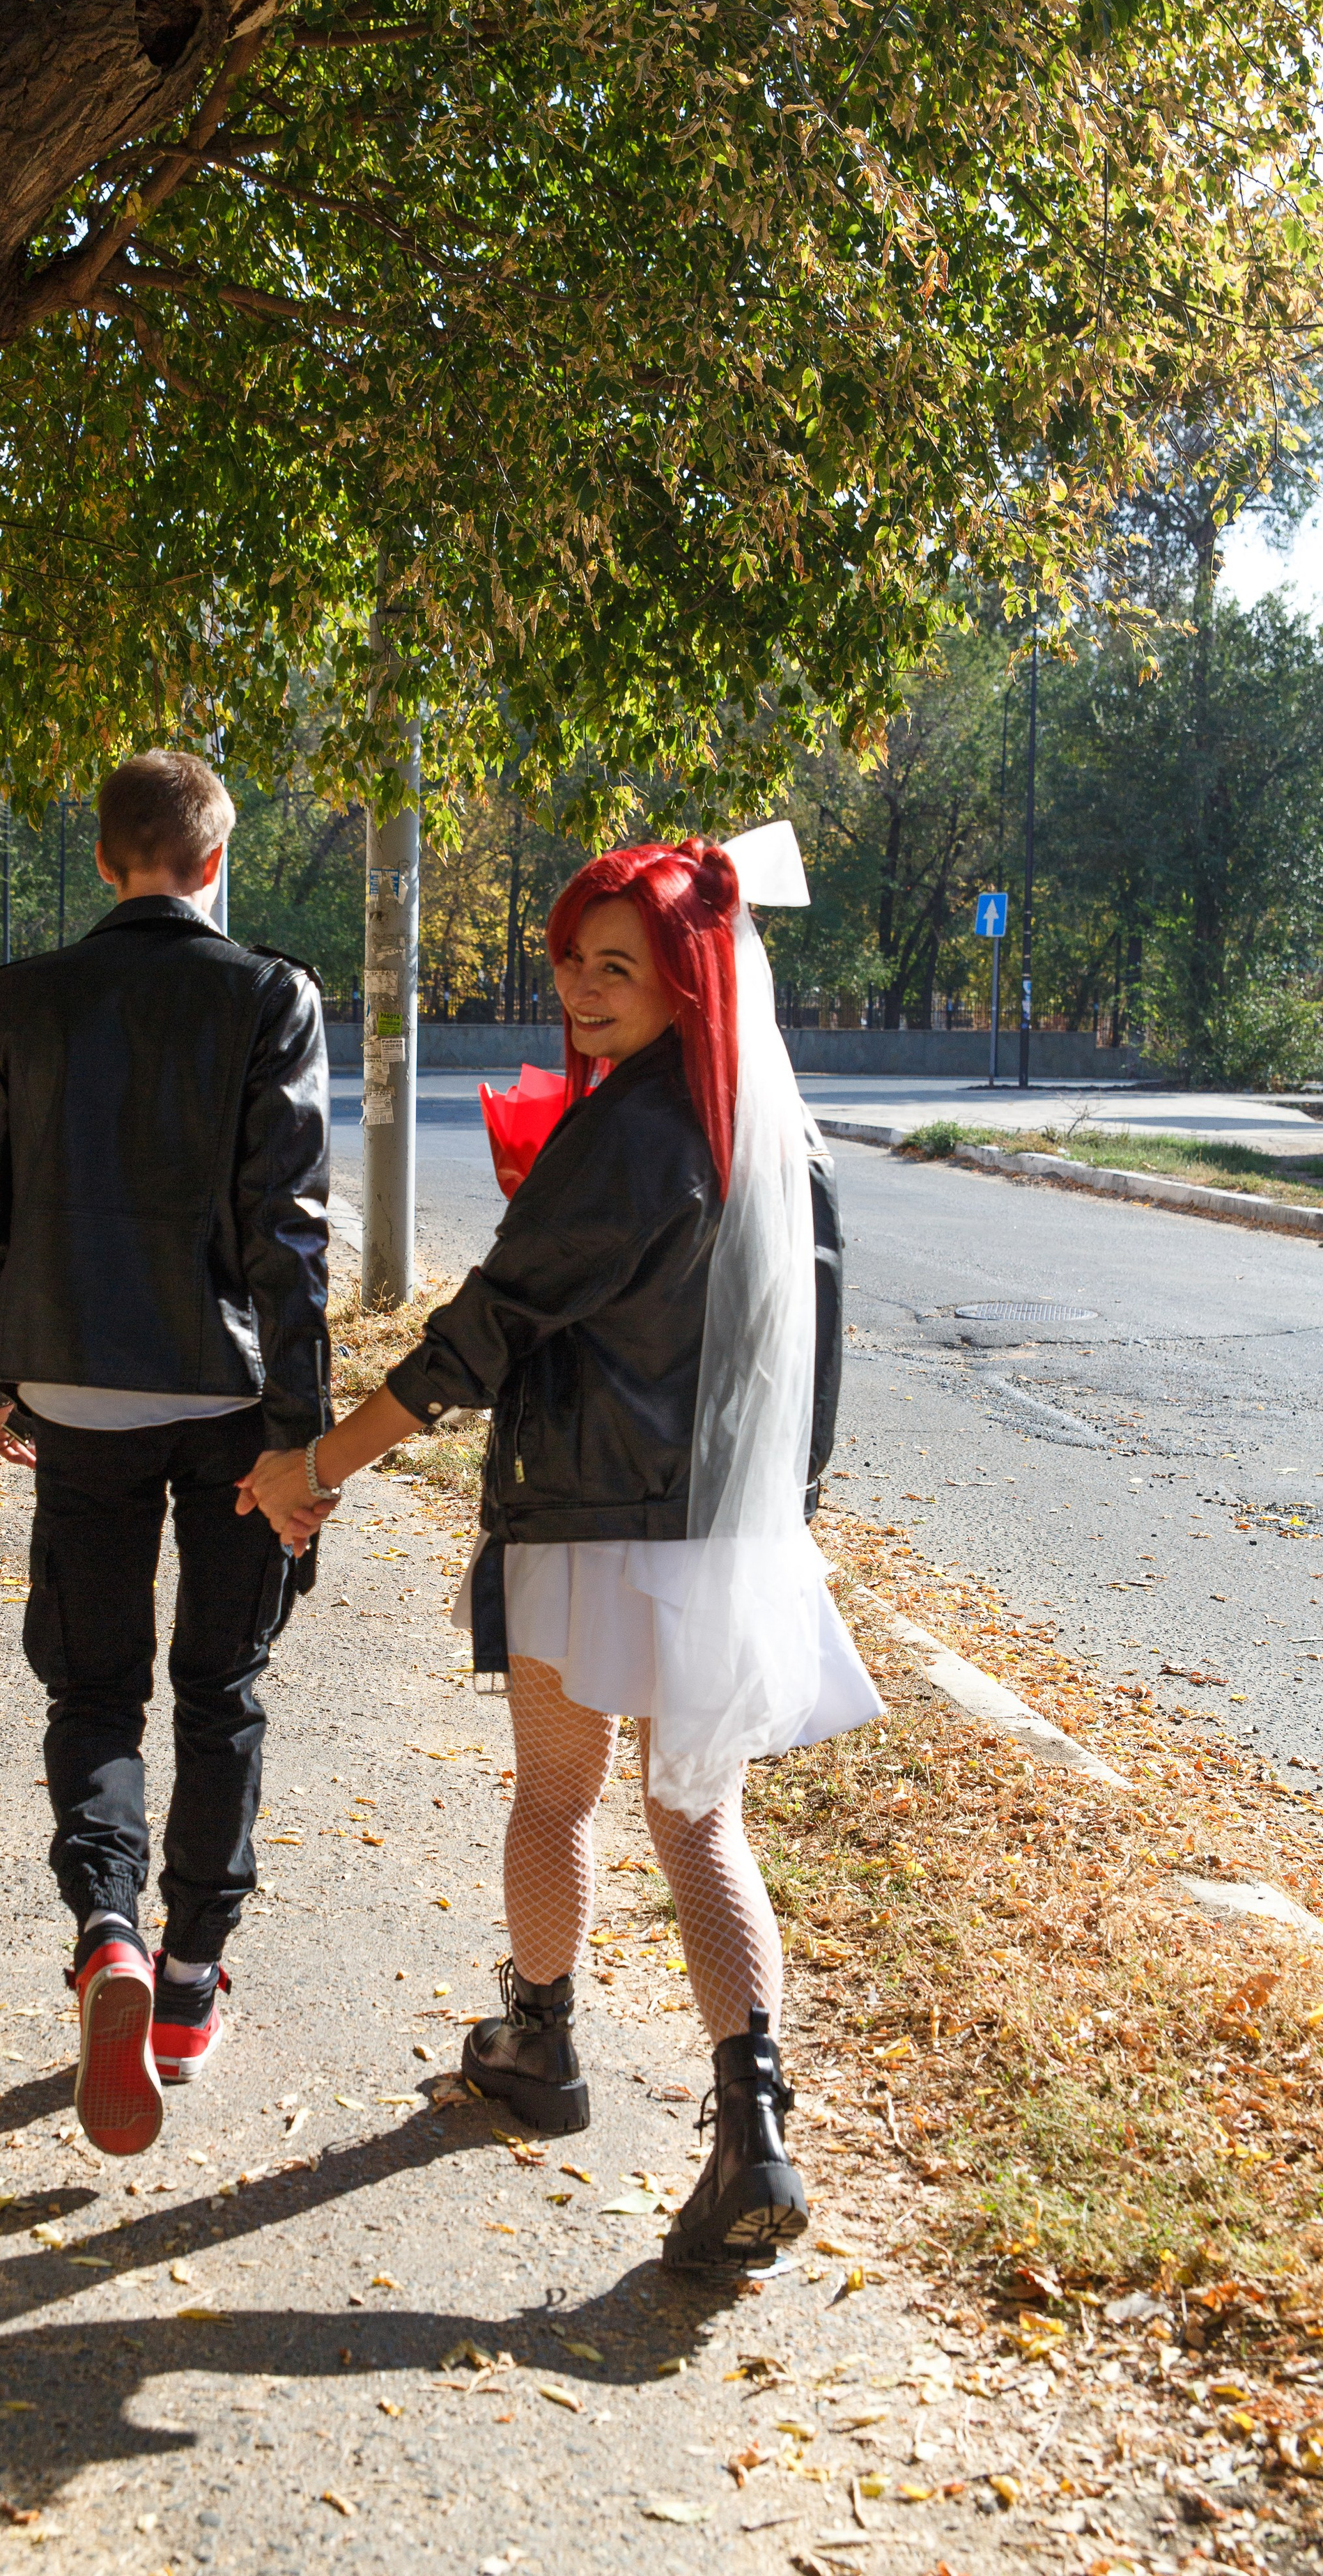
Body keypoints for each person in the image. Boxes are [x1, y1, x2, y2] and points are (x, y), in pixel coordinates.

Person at [239, 831, 879, 2272]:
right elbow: (816, 1370)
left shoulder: (635, 1133)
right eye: (569, 964)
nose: (578, 994)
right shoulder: (776, 1131)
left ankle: (539, 2045)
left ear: (686, 976)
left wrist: (316, 1466)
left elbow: (482, 1336)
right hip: (725, 1534)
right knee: (697, 1819)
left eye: (614, 967)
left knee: (557, 1793)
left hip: (588, 1526)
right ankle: (753, 2130)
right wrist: (778, 1532)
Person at [0, 750, 331, 2158]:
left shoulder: (13, 999)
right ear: (212, 860)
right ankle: (182, 1987)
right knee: (219, 1681)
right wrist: (303, 1433)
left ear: (104, 860)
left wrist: (1, 1371)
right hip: (227, 1401)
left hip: (74, 1392)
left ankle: (103, 1925)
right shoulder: (268, 994)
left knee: (93, 1683)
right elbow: (288, 1227)